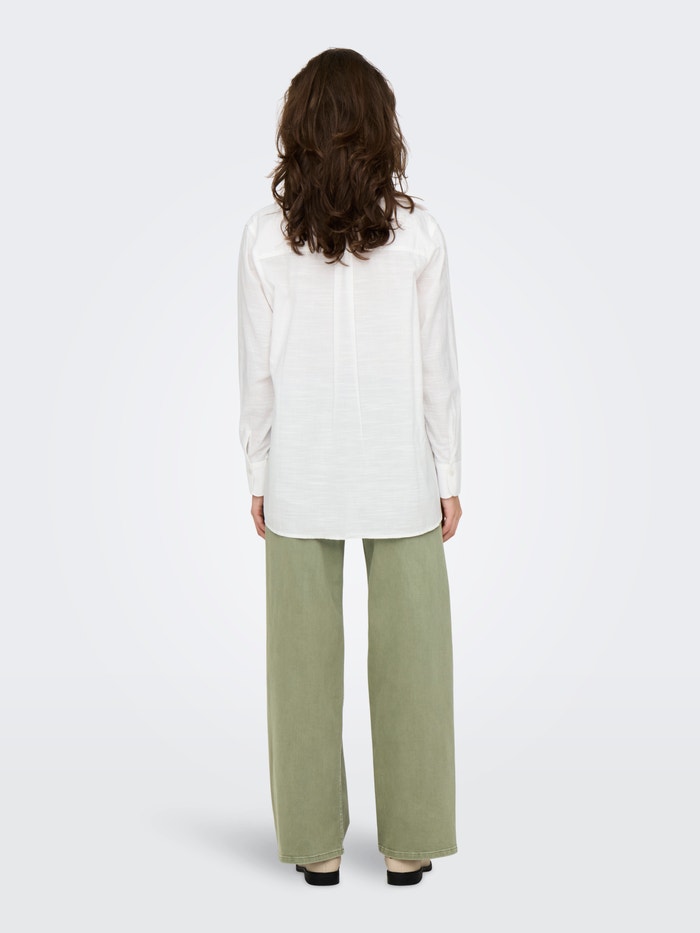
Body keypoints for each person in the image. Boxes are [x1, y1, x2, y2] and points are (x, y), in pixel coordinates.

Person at [237, 47, 462, 887]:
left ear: (296, 127)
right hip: (401, 473)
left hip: (300, 473)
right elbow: (440, 368)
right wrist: (449, 474)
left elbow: (255, 373)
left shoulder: (266, 238)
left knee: (299, 670)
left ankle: (315, 846)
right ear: (380, 127)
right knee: (415, 662)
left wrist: (258, 474)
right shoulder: (419, 234)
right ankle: (409, 843)